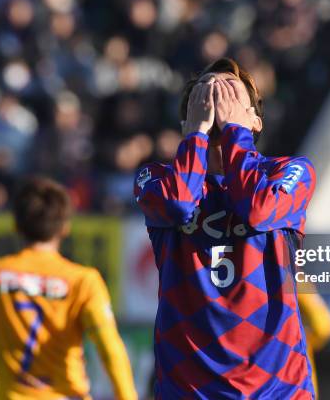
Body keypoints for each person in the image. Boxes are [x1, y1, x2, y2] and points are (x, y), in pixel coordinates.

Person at [134, 58, 317, 398]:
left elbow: (258, 210)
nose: (220, 104)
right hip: (190, 390)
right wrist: (197, 137)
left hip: (277, 390)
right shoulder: (155, 178)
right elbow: (179, 204)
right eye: (207, 96)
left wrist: (235, 134)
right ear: (186, 119)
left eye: (232, 97)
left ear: (256, 121)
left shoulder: (292, 171)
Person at [0, 177, 138, 400]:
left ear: (15, 224)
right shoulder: (83, 281)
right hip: (67, 395)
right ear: (65, 227)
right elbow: (110, 349)